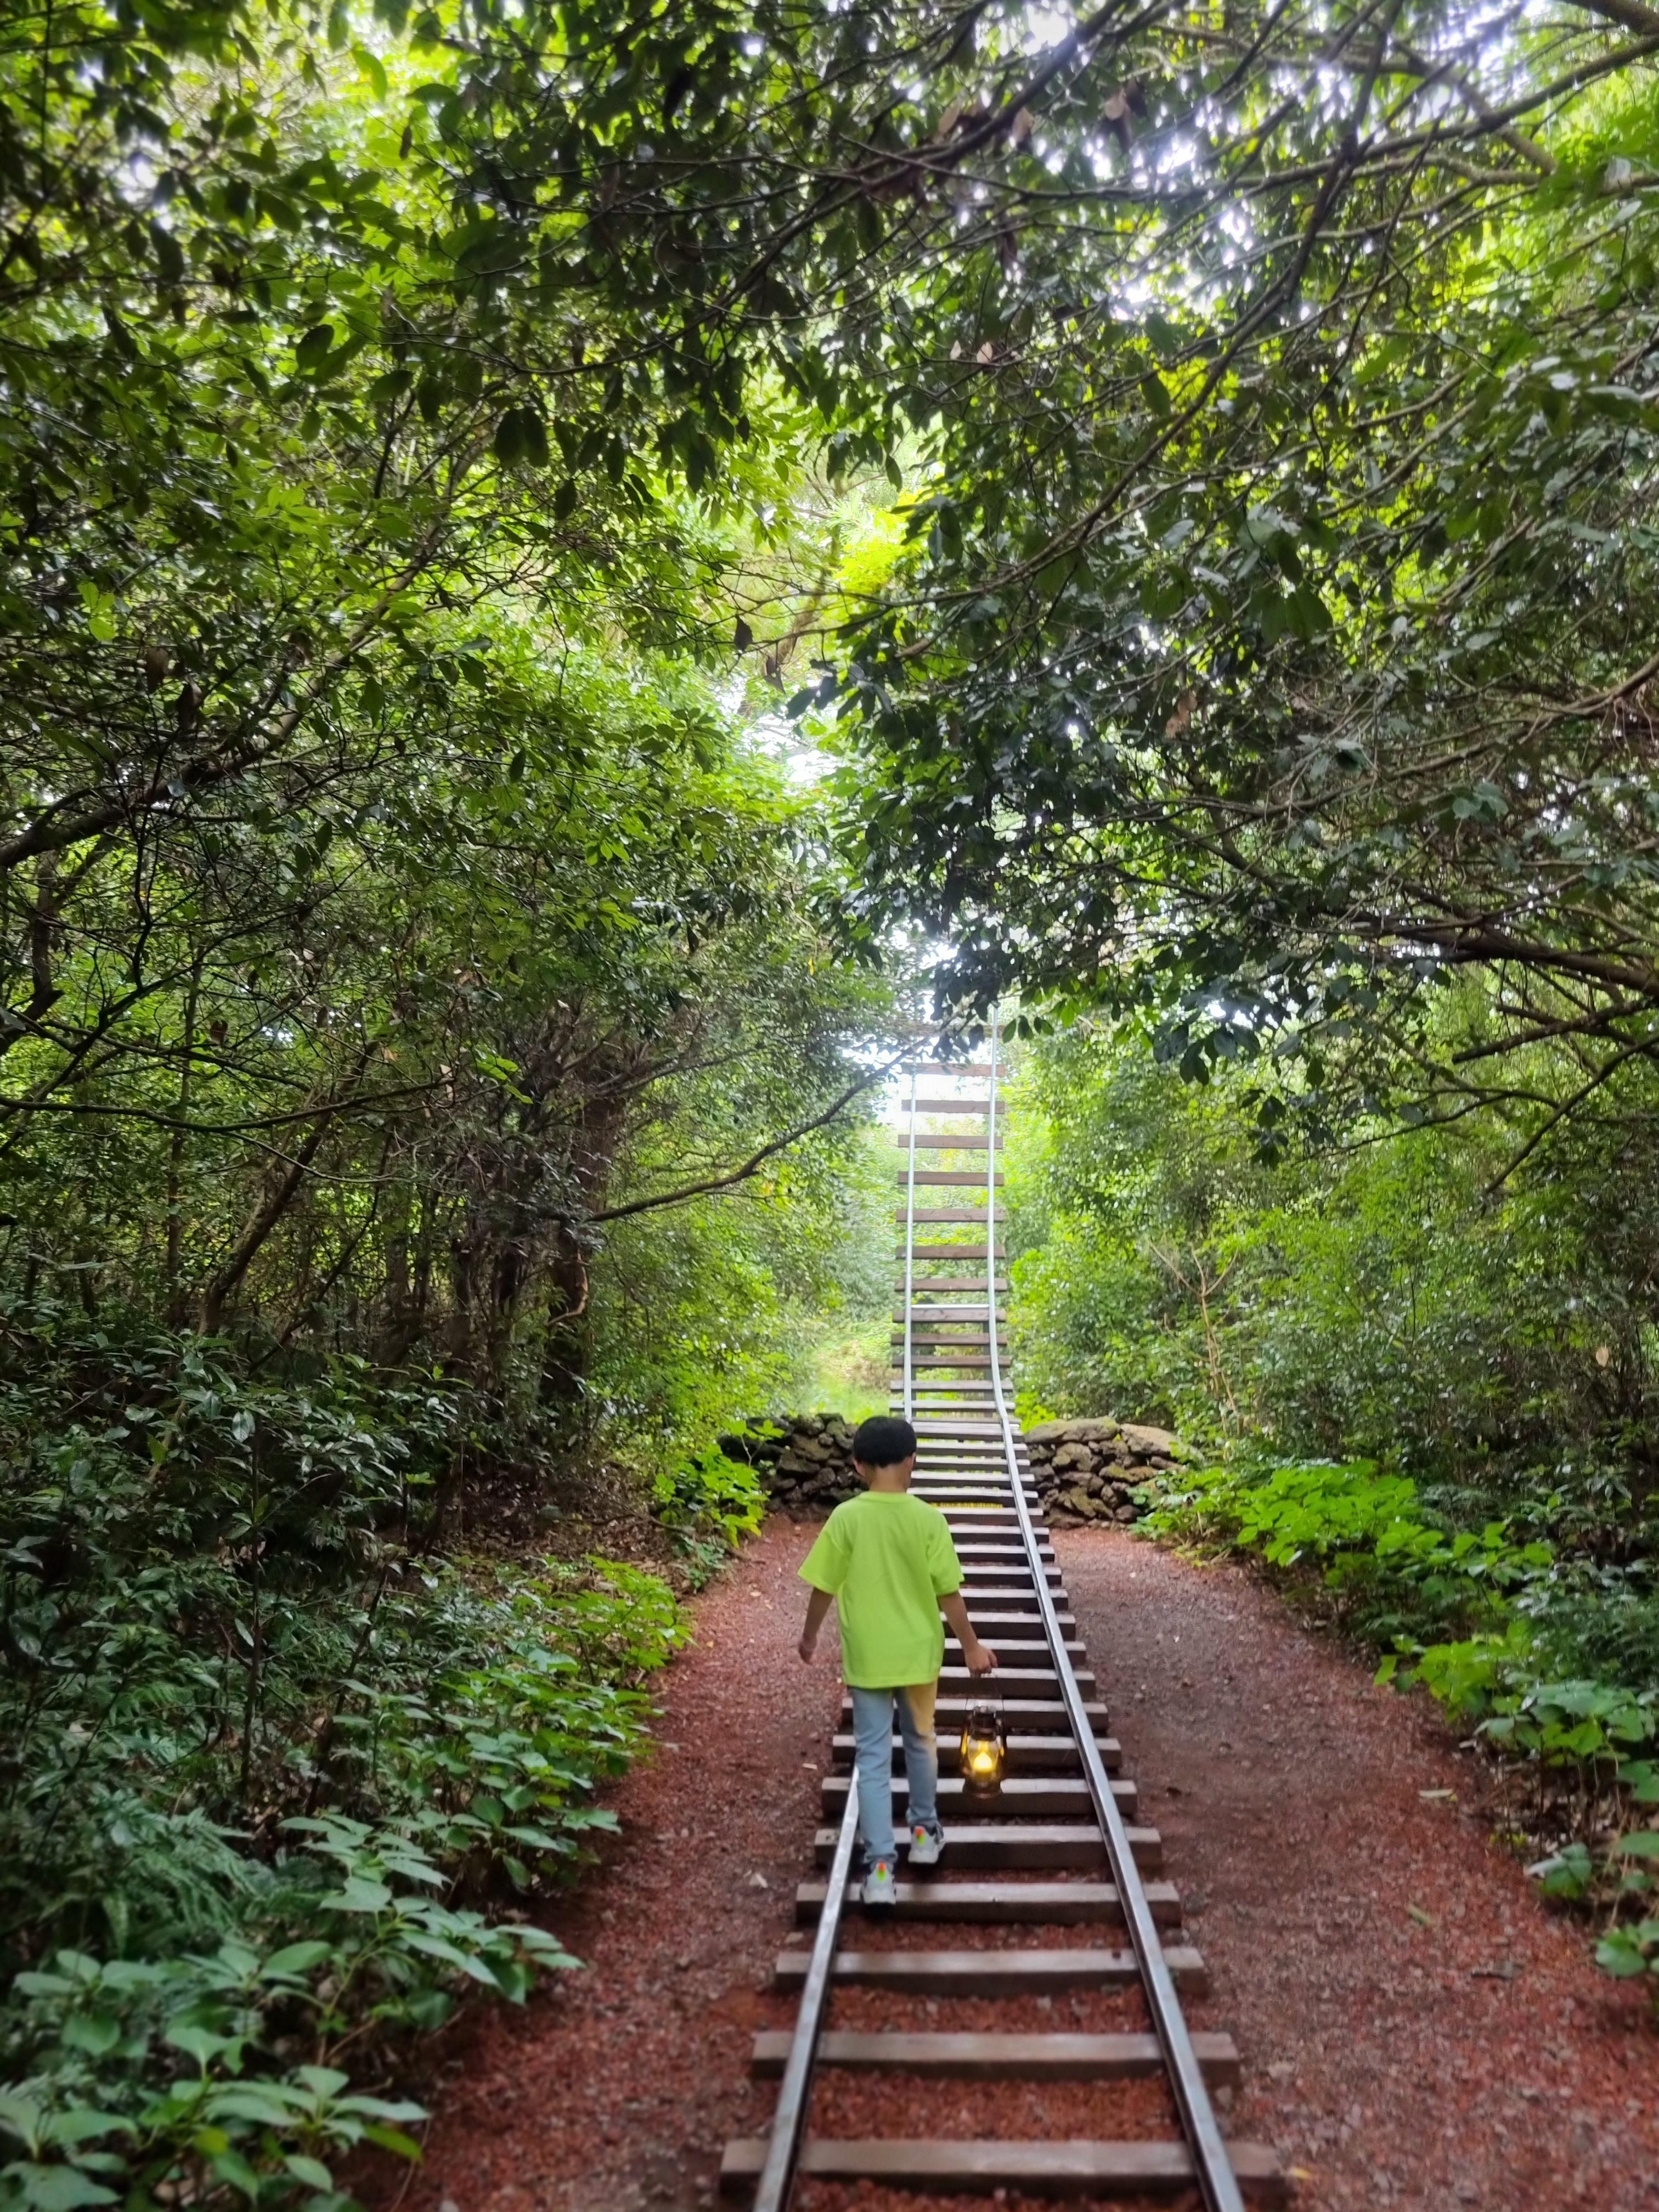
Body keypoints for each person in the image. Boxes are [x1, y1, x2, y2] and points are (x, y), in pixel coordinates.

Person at [797, 1413, 998, 1906]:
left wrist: (809, 1637)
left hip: (869, 1656)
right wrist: (971, 1645)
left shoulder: (846, 1518)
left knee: (871, 1756)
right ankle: (925, 1835)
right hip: (917, 1654)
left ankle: (881, 1868)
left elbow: (824, 1585)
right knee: (922, 1740)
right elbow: (948, 1593)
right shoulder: (927, 1519)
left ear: (857, 1465)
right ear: (913, 1461)